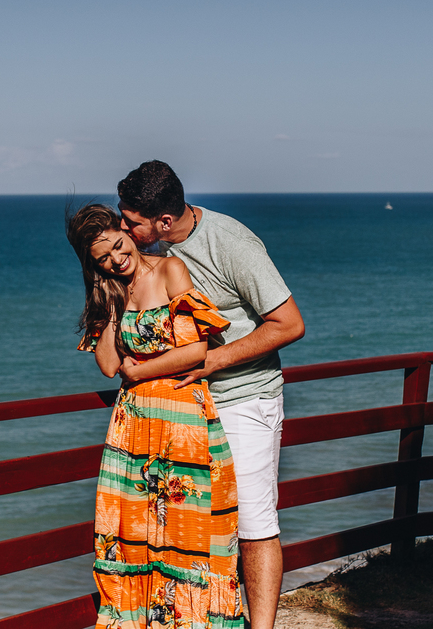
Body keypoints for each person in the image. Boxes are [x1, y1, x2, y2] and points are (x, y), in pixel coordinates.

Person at [116, 161, 305, 629]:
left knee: (252, 528)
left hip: (243, 400)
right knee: (196, 528)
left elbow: (290, 324)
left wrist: (213, 361)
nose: (122, 228)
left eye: (131, 222)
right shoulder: (149, 252)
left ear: (163, 220)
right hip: (184, 409)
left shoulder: (230, 242)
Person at [66, 203, 245, 629]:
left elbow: (197, 350)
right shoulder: (112, 290)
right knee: (135, 537)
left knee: (190, 535)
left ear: (125, 231)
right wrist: (106, 299)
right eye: (101, 258)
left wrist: (140, 370)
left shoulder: (170, 271)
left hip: (182, 422)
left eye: (115, 244)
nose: (115, 258)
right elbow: (109, 366)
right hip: (133, 430)